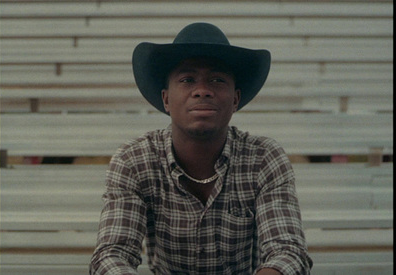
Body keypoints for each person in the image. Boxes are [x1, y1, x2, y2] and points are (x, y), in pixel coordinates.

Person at [90, 22, 313, 275]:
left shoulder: (264, 157)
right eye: (187, 79)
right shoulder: (133, 160)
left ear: (236, 99)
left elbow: (288, 252)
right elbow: (112, 255)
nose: (202, 91)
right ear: (166, 99)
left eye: (217, 80)